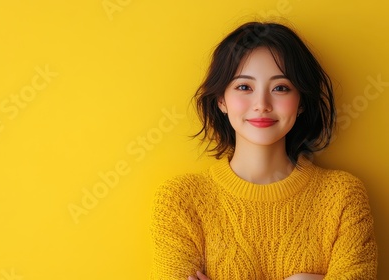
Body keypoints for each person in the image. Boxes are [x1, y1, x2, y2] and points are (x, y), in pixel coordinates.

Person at [150, 22, 378, 280]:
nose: (262, 105)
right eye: (244, 87)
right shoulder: (181, 202)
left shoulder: (343, 197)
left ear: (301, 101)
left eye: (280, 88)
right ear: (221, 100)